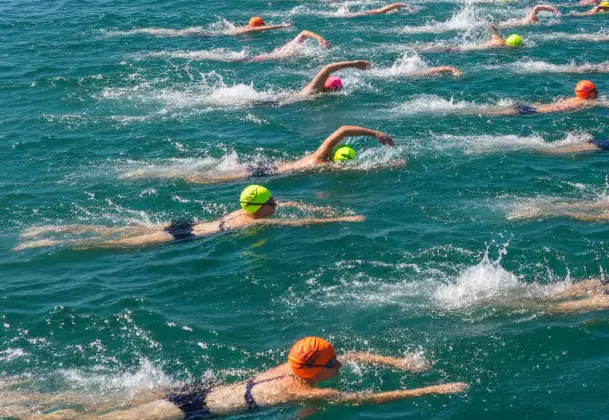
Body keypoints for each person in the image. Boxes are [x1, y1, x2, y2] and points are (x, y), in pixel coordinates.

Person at [0, 336, 468, 420]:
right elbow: (370, 400)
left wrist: (401, 361)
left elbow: (357, 354)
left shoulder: (288, 370)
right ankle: (17, 409)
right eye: (334, 362)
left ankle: (16, 391)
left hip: (194, 391)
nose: (342, 364)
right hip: (184, 412)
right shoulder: (307, 391)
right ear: (319, 372)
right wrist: (430, 389)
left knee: (89, 398)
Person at [14, 186, 364, 251]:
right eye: (273, 201)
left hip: (189, 227)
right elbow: (296, 224)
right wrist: (343, 220)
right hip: (184, 239)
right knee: (117, 242)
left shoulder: (243, 210)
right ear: (261, 208)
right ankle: (48, 240)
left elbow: (285, 206)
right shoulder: (256, 222)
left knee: (123, 230)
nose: (278, 204)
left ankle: (49, 230)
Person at [183, 124, 399, 183]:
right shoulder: (320, 161)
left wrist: (376, 134)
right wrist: (376, 134)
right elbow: (342, 129)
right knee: (210, 180)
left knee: (213, 174)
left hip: (270, 167)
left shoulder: (321, 158)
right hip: (266, 173)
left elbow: (343, 133)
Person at [484, 79, 609, 116]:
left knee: (498, 110)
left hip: (535, 108)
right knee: (499, 113)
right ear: (590, 94)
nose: (597, 94)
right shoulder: (587, 104)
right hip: (536, 113)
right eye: (595, 91)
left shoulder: (573, 99)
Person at [248, 30, 331, 62]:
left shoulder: (290, 48)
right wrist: (319, 38)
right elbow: (304, 33)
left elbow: (304, 33)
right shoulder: (290, 49)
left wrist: (319, 38)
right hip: (270, 56)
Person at [299, 60, 373, 95]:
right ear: (326, 87)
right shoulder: (312, 91)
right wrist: (354, 63)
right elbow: (327, 68)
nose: (336, 91)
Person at [496, 4, 560, 28]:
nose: (536, 17)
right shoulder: (530, 20)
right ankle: (497, 26)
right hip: (518, 23)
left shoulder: (529, 19)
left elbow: (537, 8)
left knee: (506, 24)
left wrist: (553, 9)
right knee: (505, 25)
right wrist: (553, 9)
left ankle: (497, 25)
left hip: (518, 22)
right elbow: (537, 7)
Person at [338, 3, 411, 17]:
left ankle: (346, 12)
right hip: (370, 13)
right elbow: (395, 4)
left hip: (369, 13)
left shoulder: (384, 12)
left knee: (354, 14)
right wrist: (407, 5)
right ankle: (346, 13)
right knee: (352, 15)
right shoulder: (382, 11)